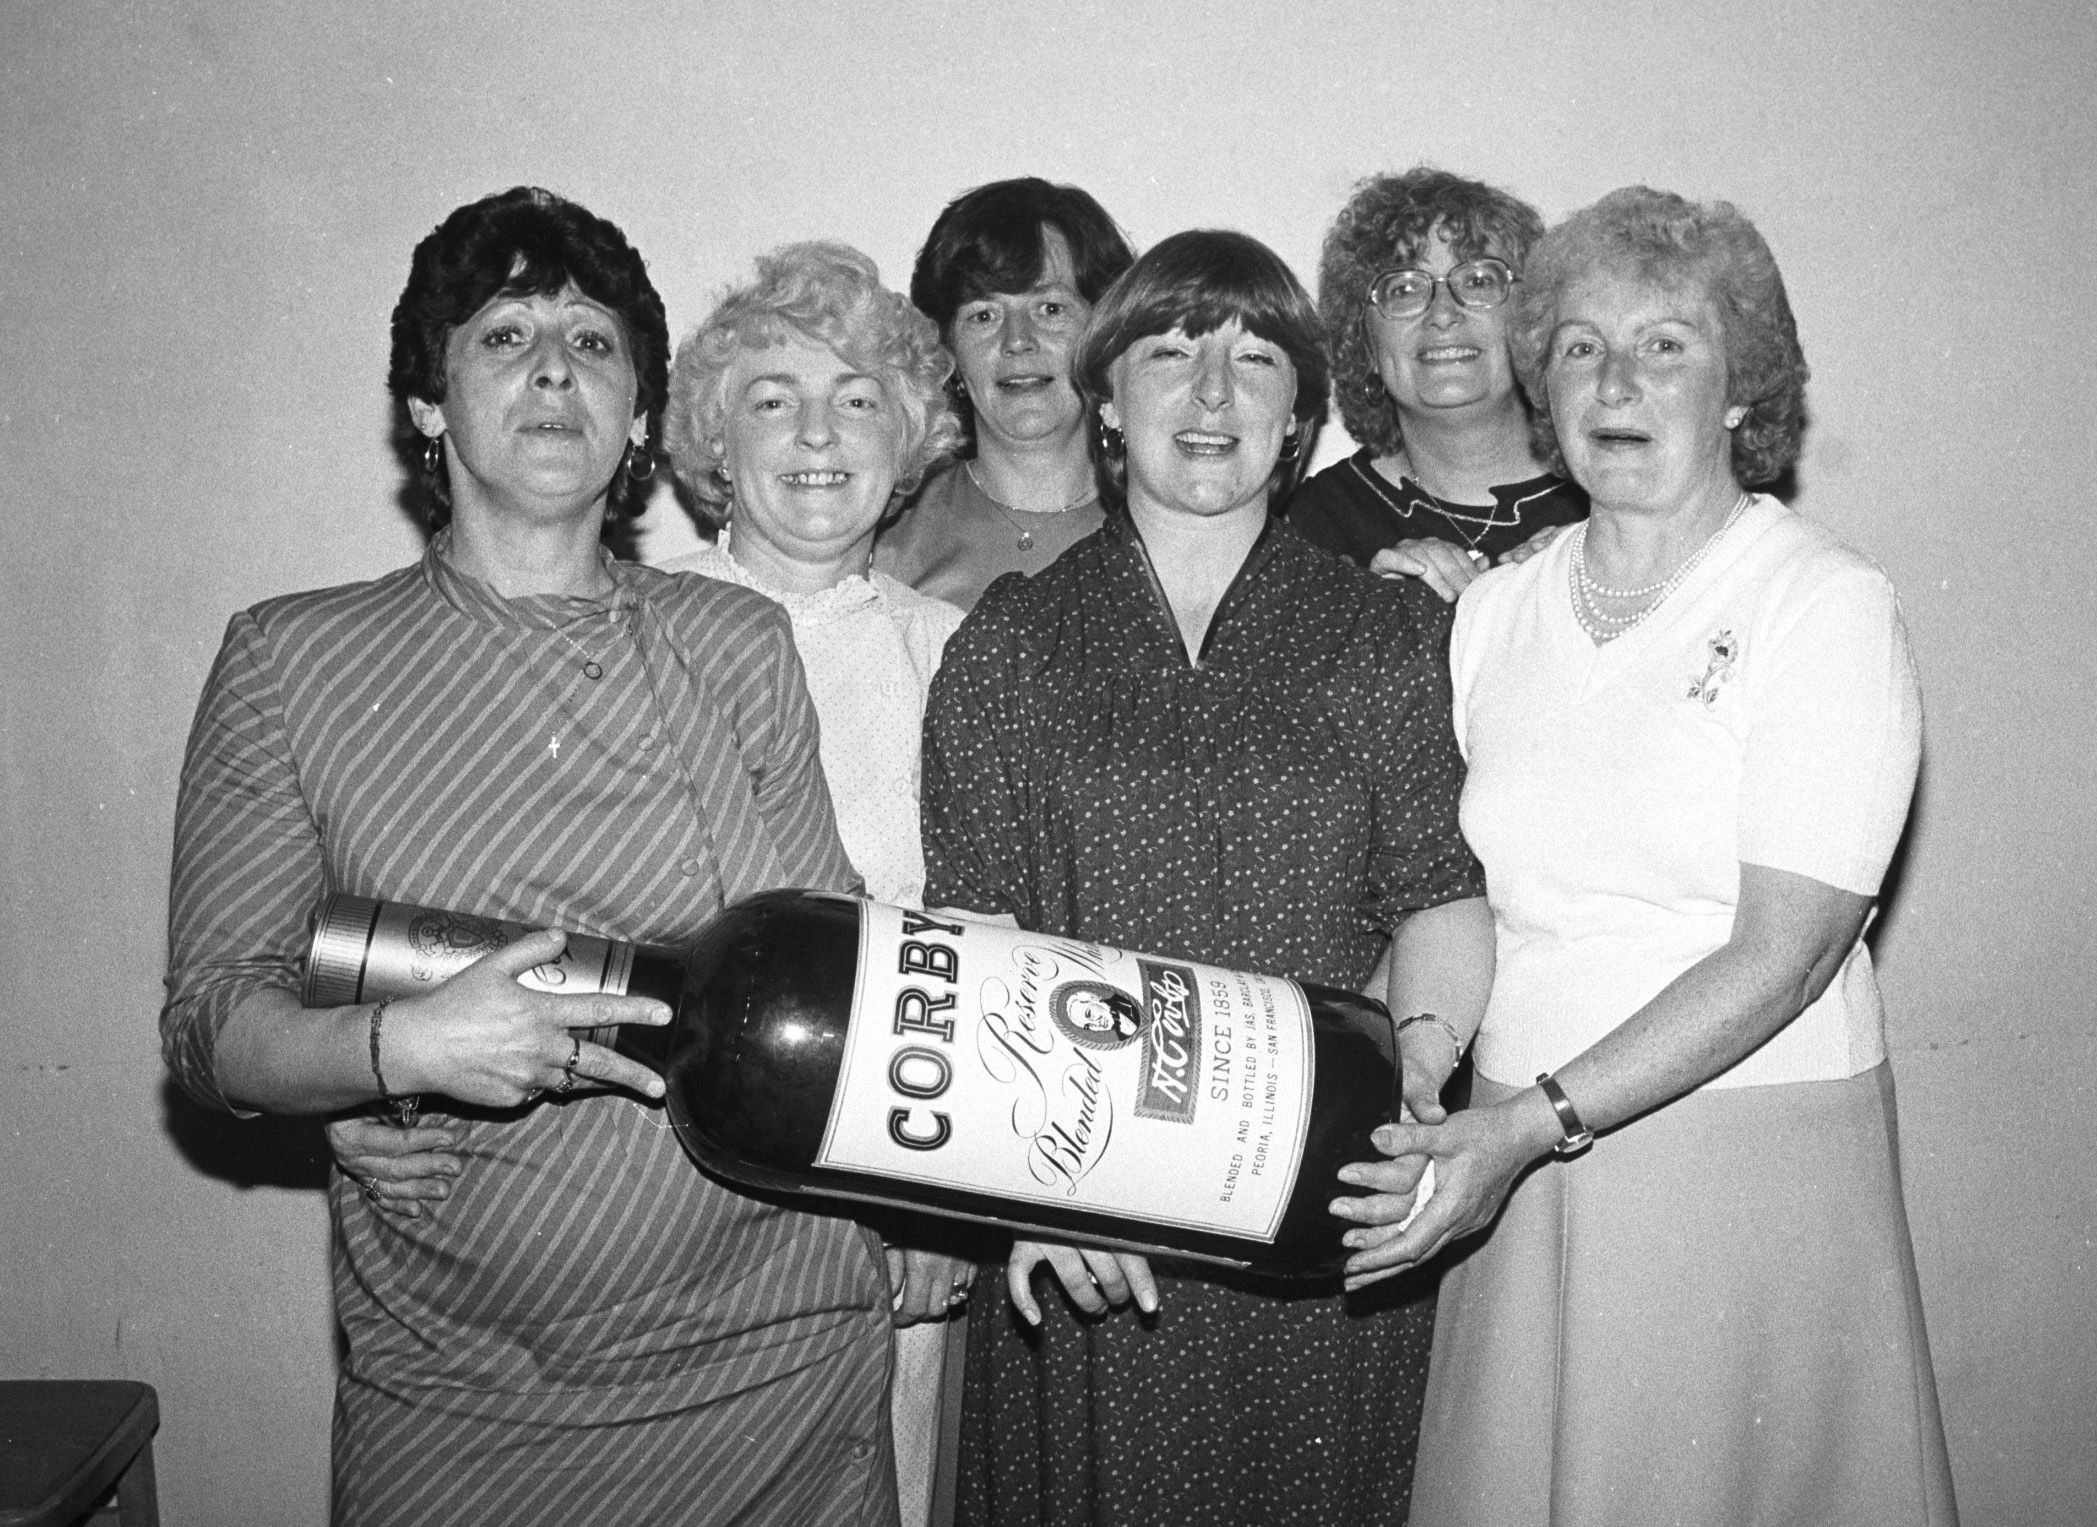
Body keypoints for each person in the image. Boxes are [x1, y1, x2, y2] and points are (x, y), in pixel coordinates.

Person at [161, 187, 897, 1527]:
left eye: (595, 341)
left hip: (782, 1359)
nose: (558, 366)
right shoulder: (293, 658)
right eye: (504, 336)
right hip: (462, 1391)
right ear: (426, 406)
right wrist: (394, 1053)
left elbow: (828, 975)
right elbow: (215, 1023)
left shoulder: (736, 644)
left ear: (632, 419)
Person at [1338, 187, 1958, 1525]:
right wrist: (1425, 1070)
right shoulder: (1491, 613)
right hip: (1508, 1153)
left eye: (1665, 344)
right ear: (1542, 383)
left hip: (1728, 1157)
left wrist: (1532, 1121)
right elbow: (1461, 903)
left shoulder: (1820, 602)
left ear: (1742, 388)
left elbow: (1783, 956)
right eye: (1578, 346)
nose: (1616, 380)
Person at [922, 228, 1495, 1524]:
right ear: (1105, 395)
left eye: (1255, 361)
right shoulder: (1010, 643)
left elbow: (1437, 892)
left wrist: (1406, 1084)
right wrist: (1026, 1187)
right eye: (1170, 355)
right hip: (1084, 1220)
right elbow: (973, 941)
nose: (1213, 393)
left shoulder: (1384, 632)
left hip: (1327, 1206)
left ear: (1299, 420)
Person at [656, 240, 971, 1527]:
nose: (819, 432)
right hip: (647, 1181)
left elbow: (982, 952)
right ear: (713, 444)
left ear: (907, 444)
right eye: (773, 398)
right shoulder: (628, 617)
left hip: (879, 1184)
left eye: (858, 399)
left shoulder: (954, 657)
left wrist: (943, 1204)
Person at [1287, 167, 1586, 600]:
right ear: (1363, 340)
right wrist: (1370, 612)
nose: (1443, 313)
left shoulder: (1608, 491)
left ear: (1533, 320)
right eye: (1404, 289)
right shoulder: (1317, 527)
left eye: (1479, 280)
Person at [874, 177, 1136, 611]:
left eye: (1050, 309)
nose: (1018, 340)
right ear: (946, 350)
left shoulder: (1161, 529)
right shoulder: (886, 538)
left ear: (1103, 330)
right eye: (984, 315)